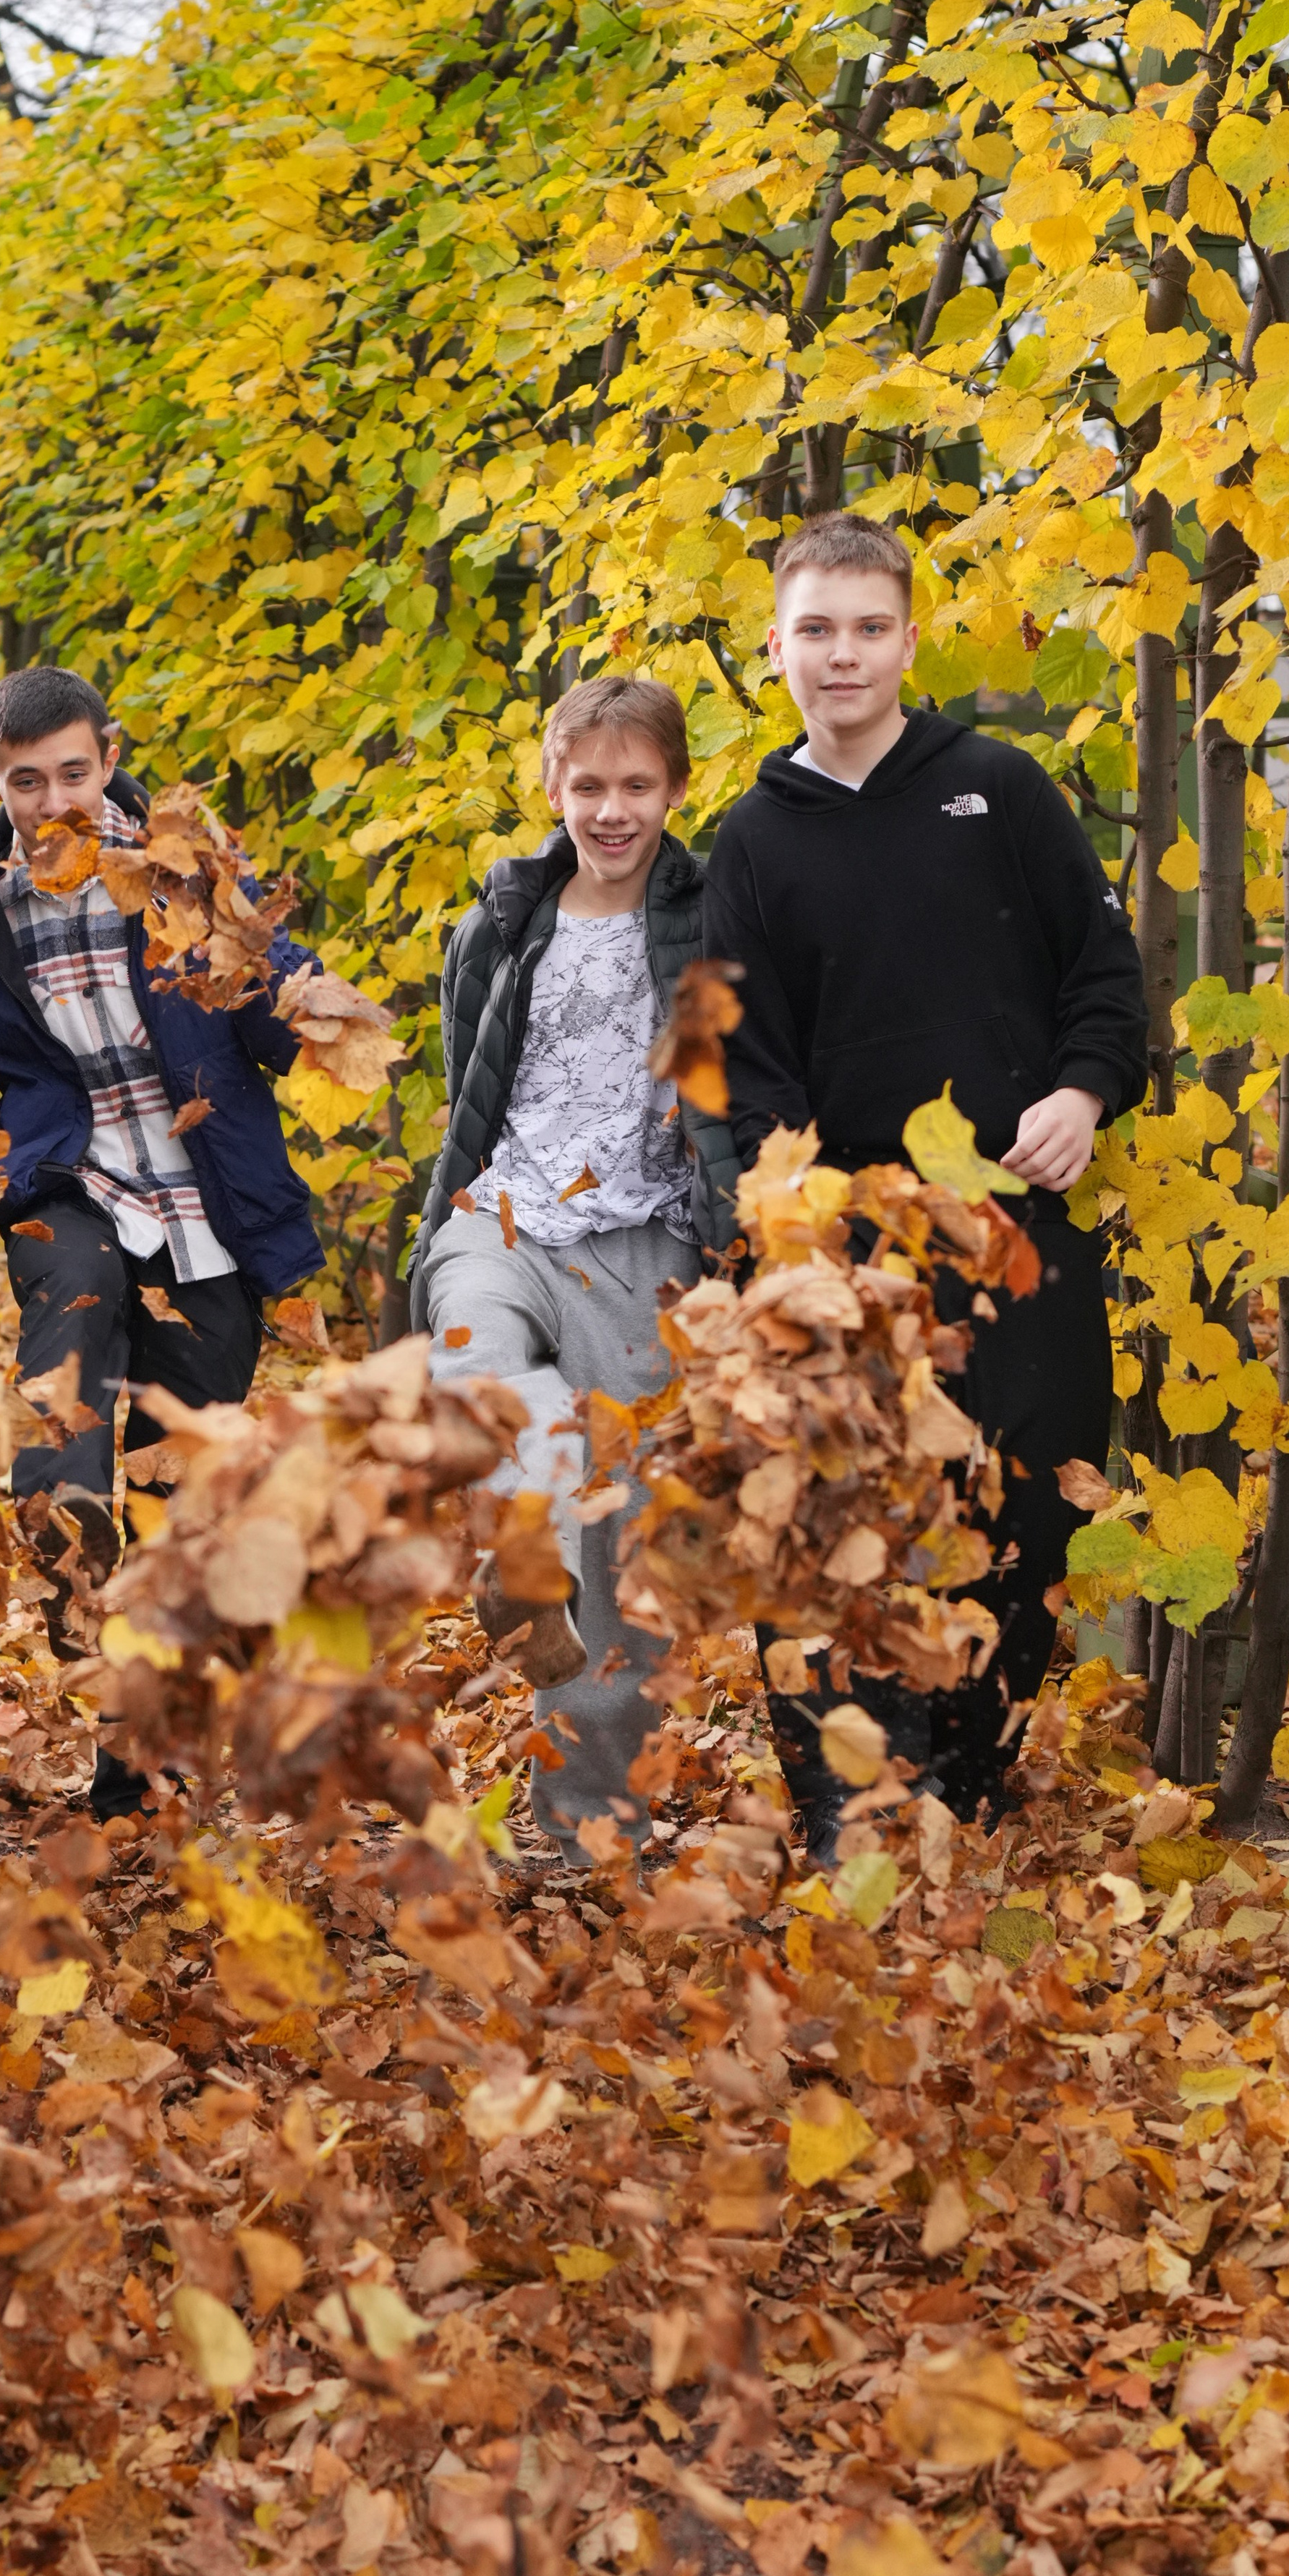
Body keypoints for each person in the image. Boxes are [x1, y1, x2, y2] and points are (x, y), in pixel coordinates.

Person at [0, 663, 325, 1821]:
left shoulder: (187, 874)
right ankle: (62, 1527)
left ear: (110, 759)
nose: (53, 804)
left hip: (210, 1209)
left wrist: (308, 1002)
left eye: (73, 775)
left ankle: (135, 1770)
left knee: (181, 1486)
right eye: (26, 782)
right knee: (72, 1341)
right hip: (69, 1185)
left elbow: (276, 1003)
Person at [704, 510, 1149, 1849]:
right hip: (841, 1245)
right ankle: (848, 1815)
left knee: (1026, 1510)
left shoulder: (997, 790)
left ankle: (965, 1796)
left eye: (869, 628)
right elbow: (741, 1064)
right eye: (817, 630)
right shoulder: (751, 840)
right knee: (831, 1526)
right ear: (777, 645)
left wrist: (1080, 1094)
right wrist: (806, 1232)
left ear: (908, 641)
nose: (842, 654)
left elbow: (1105, 979)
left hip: (1014, 1220)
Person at [412, 673, 739, 1859]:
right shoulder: (499, 926)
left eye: (636, 786)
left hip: (643, 1238)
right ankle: (520, 1534)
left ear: (675, 790)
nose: (611, 810)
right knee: (482, 1363)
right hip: (503, 1214)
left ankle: (593, 1819)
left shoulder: (709, 923)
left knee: (620, 1537)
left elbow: (733, 1091)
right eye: (587, 785)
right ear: (552, 787)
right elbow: (475, 1085)